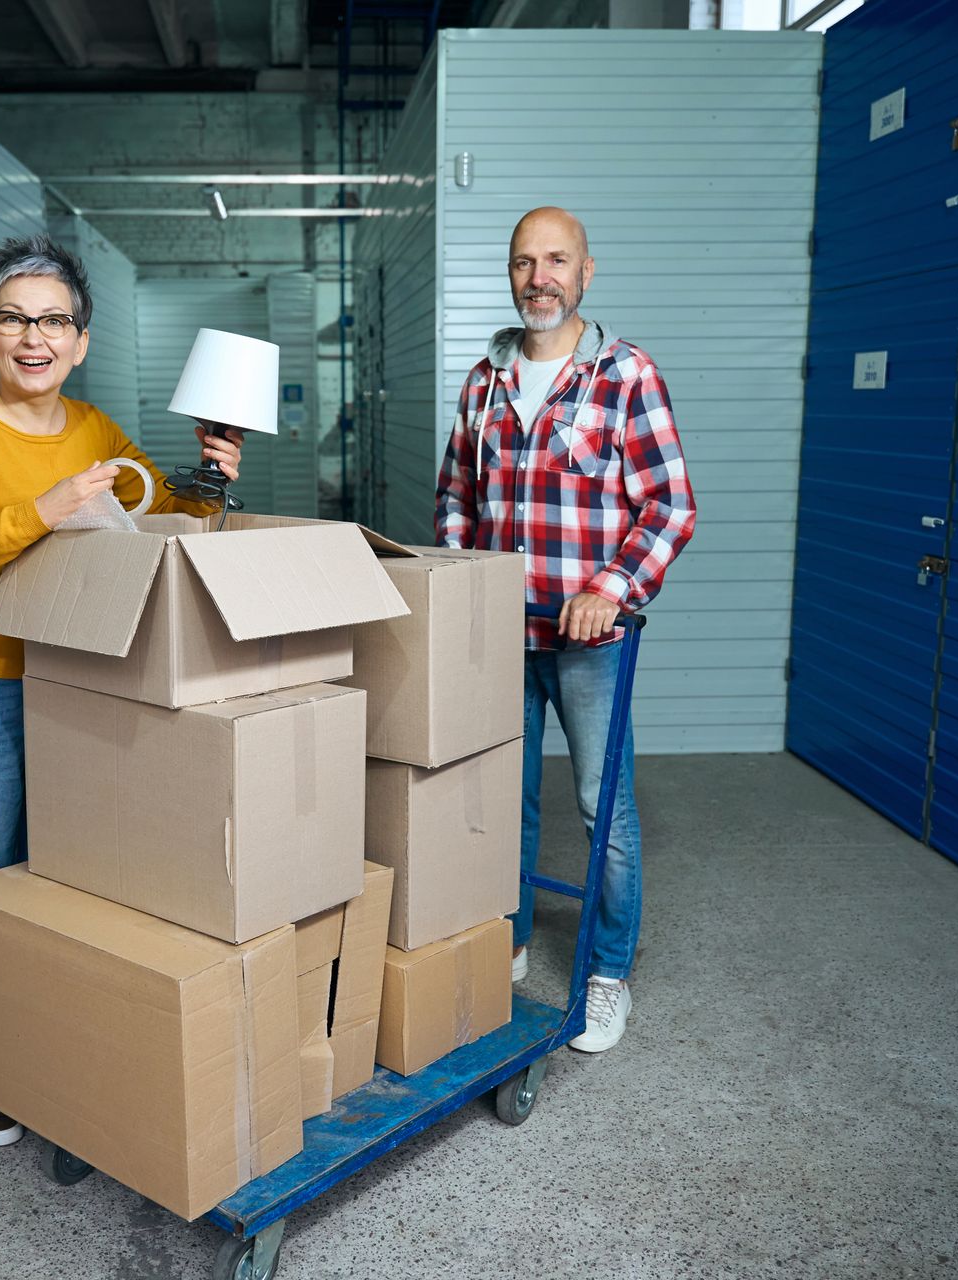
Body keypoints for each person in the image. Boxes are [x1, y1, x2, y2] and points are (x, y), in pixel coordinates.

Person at [0, 234, 242, 1144]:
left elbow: (153, 515)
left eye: (53, 320)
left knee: (57, 874)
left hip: (75, 680)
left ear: (81, 340)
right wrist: (41, 511)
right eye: (14, 319)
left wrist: (211, 479)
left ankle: (39, 1026)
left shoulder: (95, 430)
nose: (34, 337)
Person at [435, 206, 696, 1054]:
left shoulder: (627, 376)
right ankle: (505, 940)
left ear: (587, 272)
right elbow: (454, 502)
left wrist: (612, 587)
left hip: (588, 642)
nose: (538, 277)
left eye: (556, 261)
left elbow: (670, 505)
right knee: (500, 801)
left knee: (601, 808)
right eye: (523, 262)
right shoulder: (484, 382)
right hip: (501, 637)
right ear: (510, 276)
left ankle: (609, 972)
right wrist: (458, 586)